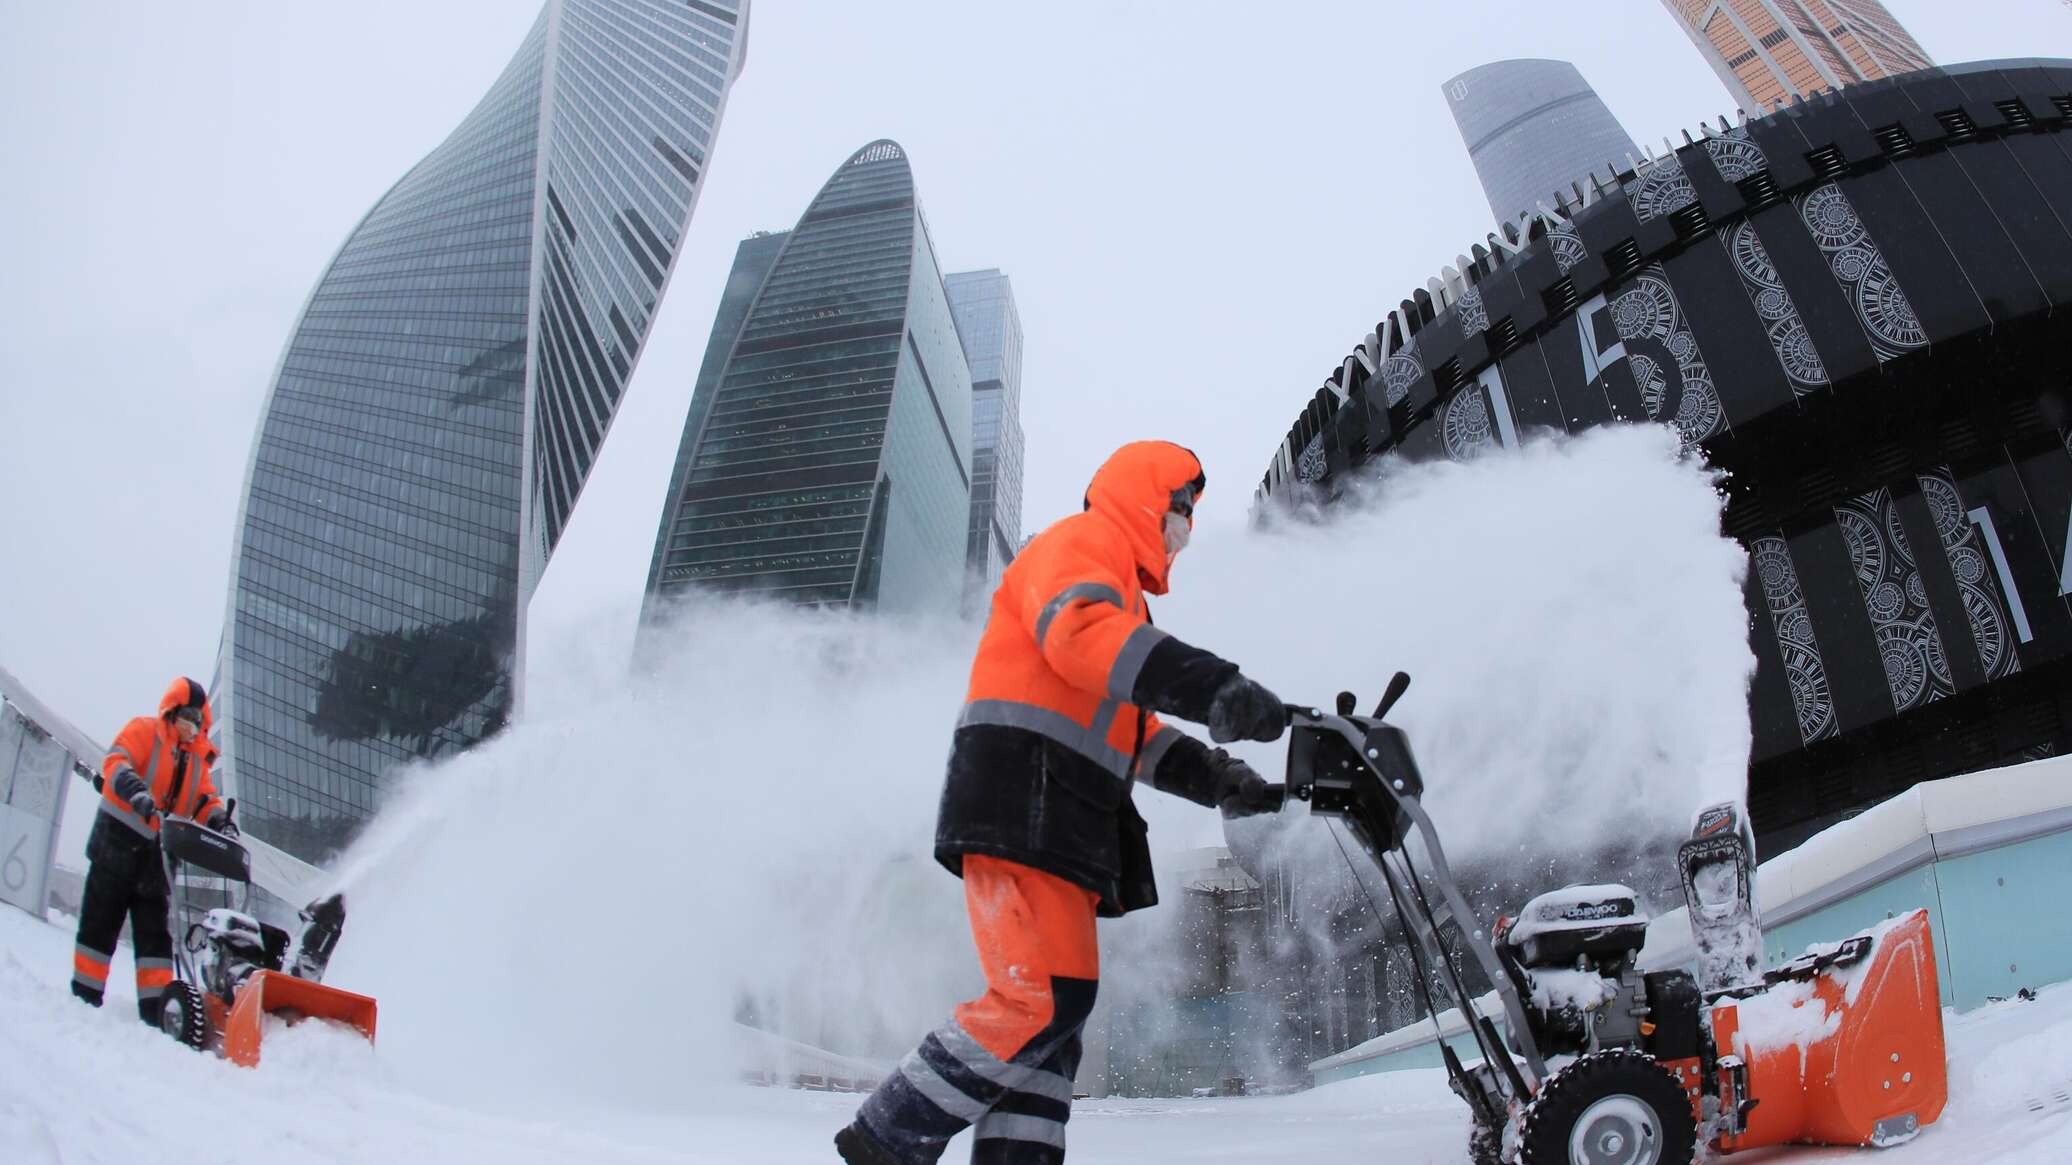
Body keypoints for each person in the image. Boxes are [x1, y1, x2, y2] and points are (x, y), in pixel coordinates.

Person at [837, 441, 1290, 1165]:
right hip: (1022, 800)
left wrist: (1222, 776)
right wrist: (1215, 688)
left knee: (1054, 1021)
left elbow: (1133, 732)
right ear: (1149, 500)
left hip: (1062, 820)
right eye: (1182, 510)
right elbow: (1077, 632)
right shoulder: (1081, 544)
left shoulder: (1122, 595)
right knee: (1039, 999)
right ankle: (885, 1138)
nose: (1186, 531)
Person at [71, 677, 231, 1024]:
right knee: (99, 927)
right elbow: (117, 762)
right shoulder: (144, 731)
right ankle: (84, 1000)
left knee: (155, 942)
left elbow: (205, 800)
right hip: (115, 849)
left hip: (156, 865)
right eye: (188, 717)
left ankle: (157, 1014)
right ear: (173, 712)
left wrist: (220, 821)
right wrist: (137, 793)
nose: (193, 726)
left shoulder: (196, 763)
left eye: (199, 721)